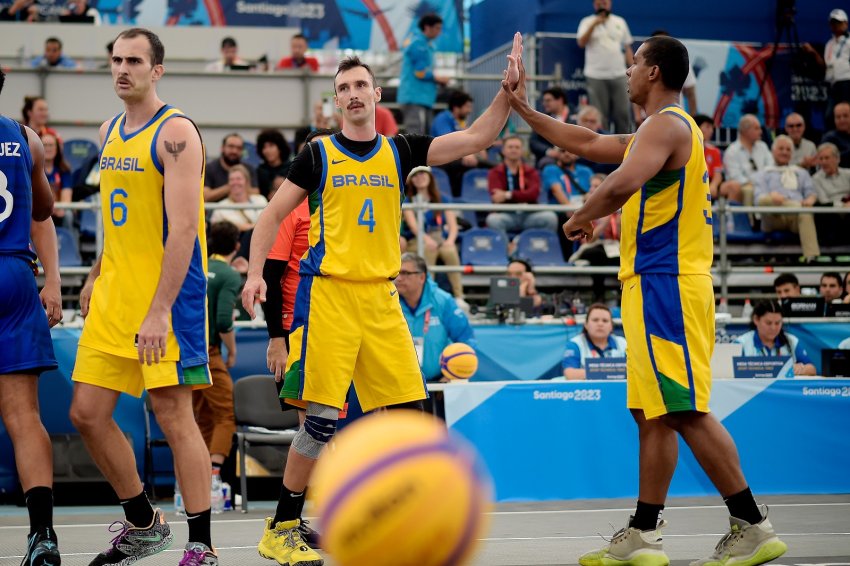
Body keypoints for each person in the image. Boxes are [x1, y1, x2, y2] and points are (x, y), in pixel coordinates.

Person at [501, 33, 787, 564]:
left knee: (683, 409)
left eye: (634, 63)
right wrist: (519, 106)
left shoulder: (668, 126)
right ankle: (644, 532)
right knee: (650, 412)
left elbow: (620, 182)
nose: (628, 72)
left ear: (653, 72)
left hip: (666, 282)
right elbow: (583, 141)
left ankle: (752, 523)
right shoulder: (655, 130)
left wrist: (581, 217)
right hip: (657, 283)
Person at [240, 36, 522, 564]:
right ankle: (281, 528)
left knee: (413, 415)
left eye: (360, 85)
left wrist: (506, 93)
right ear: (335, 101)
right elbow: (270, 217)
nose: (352, 94)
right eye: (343, 88)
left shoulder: (401, 150)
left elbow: (477, 137)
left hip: (382, 298)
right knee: (320, 421)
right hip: (331, 297)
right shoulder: (317, 154)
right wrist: (256, 272)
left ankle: (406, 512)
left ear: (376, 96)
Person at [68, 28, 217, 565]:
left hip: (167, 299)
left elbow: (182, 232)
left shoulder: (176, 132)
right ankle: (144, 523)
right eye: (116, 60)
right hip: (114, 293)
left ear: (157, 70)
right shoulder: (109, 130)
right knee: (86, 412)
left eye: (134, 60)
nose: (122, 69)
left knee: (173, 411)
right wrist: (94, 274)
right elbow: (115, 218)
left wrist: (158, 310)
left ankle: (200, 543)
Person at [0, 67, 64, 566]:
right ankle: (43, 536)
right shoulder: (26, 139)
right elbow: (43, 208)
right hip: (16, 276)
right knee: (25, 418)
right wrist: (54, 281)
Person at [193, 221, 239, 481]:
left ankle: (195, 474)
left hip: (187, 350)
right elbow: (223, 320)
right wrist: (231, 351)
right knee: (225, 414)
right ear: (236, 245)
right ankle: (213, 475)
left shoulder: (198, 263)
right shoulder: (229, 274)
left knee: (203, 416)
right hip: (209, 352)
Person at [396, 253, 475, 382]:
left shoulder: (443, 301)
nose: (398, 278)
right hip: (401, 385)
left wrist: (452, 374)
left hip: (438, 384)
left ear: (422, 277)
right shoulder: (389, 301)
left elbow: (465, 338)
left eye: (405, 273)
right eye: (396, 273)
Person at [754, 135, 821, 261]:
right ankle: (795, 206)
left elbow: (811, 193)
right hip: (773, 216)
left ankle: (811, 258)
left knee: (805, 212)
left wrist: (810, 199)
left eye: (788, 149)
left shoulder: (801, 172)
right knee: (765, 199)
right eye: (781, 149)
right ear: (773, 151)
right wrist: (771, 197)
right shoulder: (763, 173)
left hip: (795, 217)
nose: (784, 152)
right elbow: (758, 201)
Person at [403, 165, 464, 300]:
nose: (420, 178)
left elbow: (452, 226)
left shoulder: (443, 199)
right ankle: (428, 294)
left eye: (423, 174)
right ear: (411, 180)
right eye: (416, 176)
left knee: (450, 250)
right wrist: (426, 240)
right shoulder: (408, 200)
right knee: (429, 249)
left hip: (440, 238)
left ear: (430, 177)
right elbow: (414, 226)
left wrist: (449, 241)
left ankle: (459, 296)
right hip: (417, 240)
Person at [577, 0, 634, 134]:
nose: (602, 6)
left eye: (605, 3)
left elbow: (627, 47)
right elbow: (581, 42)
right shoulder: (587, 21)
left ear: (610, 4)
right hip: (595, 75)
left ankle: (624, 147)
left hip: (619, 74)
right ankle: (603, 148)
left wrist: (633, 69)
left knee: (623, 113)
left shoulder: (620, 21)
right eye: (599, 3)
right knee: (599, 116)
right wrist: (594, 24)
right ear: (594, 5)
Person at [485, 135, 558, 234]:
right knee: (493, 220)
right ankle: (508, 248)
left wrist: (508, 195)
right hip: (506, 214)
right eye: (510, 147)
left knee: (550, 218)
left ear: (522, 151)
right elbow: (496, 197)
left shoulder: (531, 172)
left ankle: (538, 247)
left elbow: (533, 194)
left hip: (529, 214)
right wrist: (523, 196)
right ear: (503, 150)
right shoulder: (495, 172)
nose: (513, 150)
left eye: (517, 147)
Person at [398, 13, 449, 134]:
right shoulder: (418, 44)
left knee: (422, 136)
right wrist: (438, 79)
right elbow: (420, 72)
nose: (439, 32)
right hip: (415, 98)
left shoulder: (424, 44)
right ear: (427, 27)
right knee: (416, 135)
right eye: (437, 28)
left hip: (422, 98)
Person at [735, 300, 817, 376]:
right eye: (768, 323)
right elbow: (728, 373)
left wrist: (801, 369)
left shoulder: (792, 341)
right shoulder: (741, 343)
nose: (773, 328)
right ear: (756, 319)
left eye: (777, 323)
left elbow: (812, 369)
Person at [562, 303, 627, 380]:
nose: (600, 324)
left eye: (605, 321)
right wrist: (611, 371)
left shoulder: (623, 343)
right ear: (586, 324)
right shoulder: (575, 344)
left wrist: (595, 371)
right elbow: (570, 374)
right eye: (595, 320)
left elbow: (634, 371)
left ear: (611, 327)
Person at [719, 114, 772, 204]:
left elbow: (770, 167)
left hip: (765, 185)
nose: (760, 132)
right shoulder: (732, 151)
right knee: (749, 190)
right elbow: (735, 176)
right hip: (745, 186)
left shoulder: (763, 147)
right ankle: (747, 218)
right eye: (756, 128)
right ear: (745, 130)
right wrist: (755, 184)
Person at [204, 133, 258, 202]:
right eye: (231, 146)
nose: (234, 151)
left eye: (239, 148)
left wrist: (235, 186)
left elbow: (256, 192)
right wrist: (231, 187)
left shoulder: (249, 169)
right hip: (215, 211)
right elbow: (205, 197)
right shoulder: (209, 168)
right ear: (222, 148)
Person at [41, 132, 73, 225]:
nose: (48, 148)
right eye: (44, 145)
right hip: (40, 211)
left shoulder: (64, 170)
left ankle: (69, 239)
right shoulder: (32, 170)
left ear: (57, 148)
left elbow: (66, 199)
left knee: (68, 214)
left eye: (51, 145)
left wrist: (60, 209)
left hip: (59, 212)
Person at [256, 128, 292, 199]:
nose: (267, 150)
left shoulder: (291, 167)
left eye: (271, 145)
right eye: (264, 147)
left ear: (280, 148)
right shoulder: (260, 171)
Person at [694, 114, 724, 200]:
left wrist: (713, 186)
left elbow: (717, 174)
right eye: (707, 127)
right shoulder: (687, 149)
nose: (711, 131)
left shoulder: (714, 151)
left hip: (708, 183)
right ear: (696, 127)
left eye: (712, 127)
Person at [823, 101, 850, 167]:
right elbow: (827, 159)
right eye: (838, 117)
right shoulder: (829, 138)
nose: (842, 120)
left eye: (845, 116)